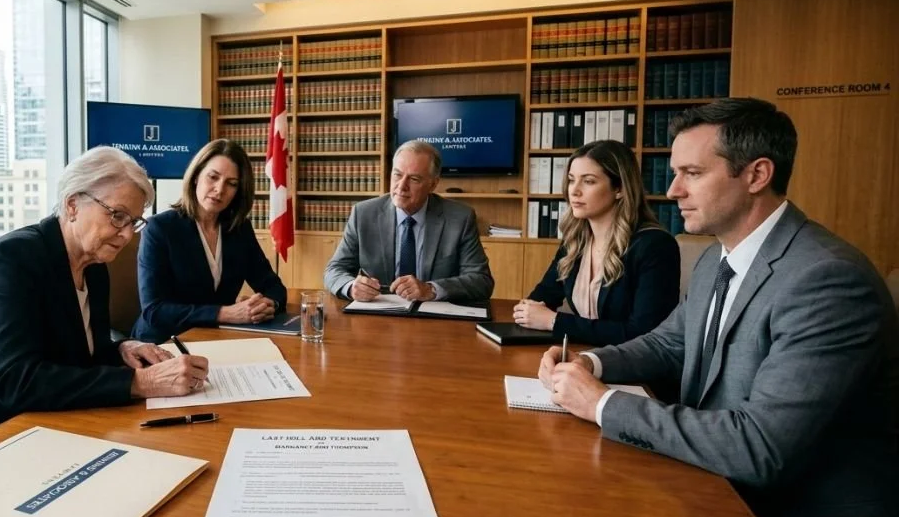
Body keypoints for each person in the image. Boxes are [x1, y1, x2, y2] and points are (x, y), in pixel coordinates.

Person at [536, 98, 899, 517]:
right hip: (715, 478)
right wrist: (590, 363)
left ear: (757, 175)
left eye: (692, 173)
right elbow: (668, 343)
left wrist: (601, 404)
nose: (673, 190)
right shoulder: (716, 258)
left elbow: (760, 447)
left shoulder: (826, 279)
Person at [0, 147, 210, 458]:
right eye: (117, 216)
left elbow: (72, 356)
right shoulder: (12, 259)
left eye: (133, 222)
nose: (125, 235)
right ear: (72, 205)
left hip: (45, 428)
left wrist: (121, 349)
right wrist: (140, 382)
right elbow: (17, 381)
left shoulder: (94, 267)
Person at [515, 140, 680, 345]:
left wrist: (554, 321)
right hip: (580, 354)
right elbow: (540, 299)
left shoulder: (655, 245)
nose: (574, 191)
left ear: (619, 188)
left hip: (629, 361)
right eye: (571, 180)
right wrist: (527, 311)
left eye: (589, 181)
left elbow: (645, 334)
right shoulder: (575, 240)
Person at [132, 140, 286, 343]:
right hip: (163, 342)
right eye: (213, 177)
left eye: (231, 184)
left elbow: (274, 287)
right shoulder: (160, 228)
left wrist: (267, 305)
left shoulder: (239, 229)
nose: (219, 189)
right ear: (196, 176)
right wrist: (225, 313)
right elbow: (154, 311)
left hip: (214, 338)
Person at [324, 140, 493, 303]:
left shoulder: (459, 218)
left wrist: (431, 289)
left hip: (434, 313)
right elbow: (334, 270)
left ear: (433, 184)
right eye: (397, 175)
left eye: (414, 179)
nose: (401, 186)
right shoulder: (363, 214)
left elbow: (481, 281)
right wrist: (351, 287)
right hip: (378, 311)